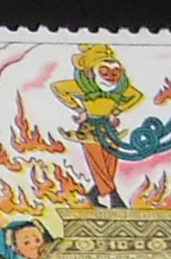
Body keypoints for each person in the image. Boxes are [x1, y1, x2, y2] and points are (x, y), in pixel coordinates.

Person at [51, 44, 143, 209]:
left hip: (109, 129)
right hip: (89, 129)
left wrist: (116, 111)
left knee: (110, 164)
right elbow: (58, 88)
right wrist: (79, 109)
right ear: (90, 72)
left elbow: (137, 95)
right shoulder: (82, 86)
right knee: (98, 164)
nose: (110, 77)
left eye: (115, 73)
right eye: (104, 72)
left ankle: (93, 194)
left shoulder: (120, 88)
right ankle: (115, 197)